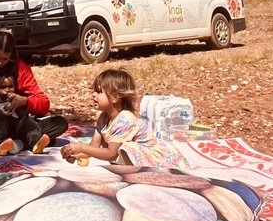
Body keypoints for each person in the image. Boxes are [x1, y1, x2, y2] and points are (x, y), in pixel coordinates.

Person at [59, 67, 187, 169]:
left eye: (98, 92)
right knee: (116, 146)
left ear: (115, 97)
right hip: (135, 159)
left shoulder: (125, 119)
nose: (93, 95)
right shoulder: (104, 118)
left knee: (126, 148)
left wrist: (81, 147)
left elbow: (111, 153)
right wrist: (75, 154)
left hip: (155, 158)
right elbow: (94, 146)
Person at [0, 74, 51, 156]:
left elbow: (26, 110)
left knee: (30, 123)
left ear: (15, 87)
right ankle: (2, 142)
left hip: (18, 125)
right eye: (3, 87)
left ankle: (35, 143)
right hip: (4, 125)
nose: (7, 90)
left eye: (10, 87)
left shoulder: (18, 97)